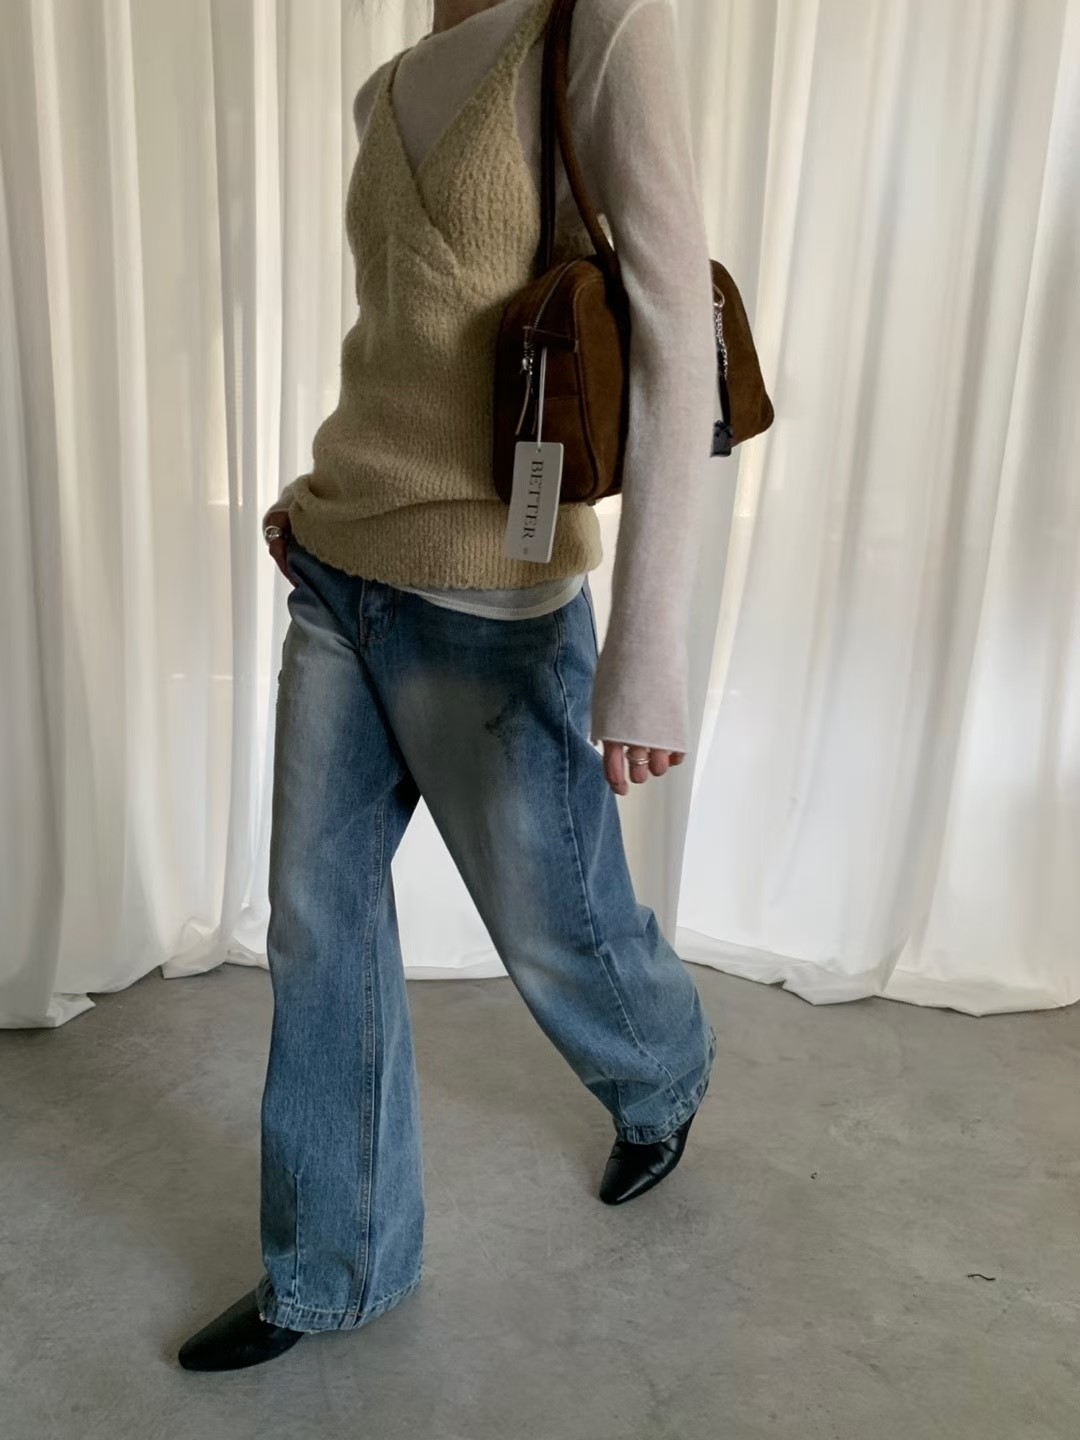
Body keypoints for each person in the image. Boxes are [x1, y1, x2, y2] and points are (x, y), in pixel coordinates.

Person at [179, 0, 719, 1373]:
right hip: (340, 566)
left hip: (499, 600)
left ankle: (661, 1072)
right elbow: (400, 343)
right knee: (318, 926)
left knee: (555, 922)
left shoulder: (598, 26)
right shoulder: (394, 80)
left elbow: (677, 341)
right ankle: (336, 1266)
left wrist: (649, 657)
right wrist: (317, 495)